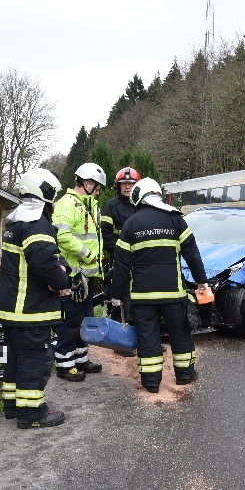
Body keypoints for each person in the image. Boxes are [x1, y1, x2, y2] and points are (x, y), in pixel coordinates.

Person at [111, 178, 209, 392]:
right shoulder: (176, 219)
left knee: (148, 338)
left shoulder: (131, 224)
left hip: (142, 297)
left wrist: (116, 297)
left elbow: (120, 266)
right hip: (173, 294)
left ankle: (151, 382)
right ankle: (185, 375)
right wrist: (202, 282)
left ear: (138, 197)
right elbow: (192, 254)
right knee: (180, 334)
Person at [0, 168, 69, 429]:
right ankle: (32, 413)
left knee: (17, 358)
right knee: (35, 360)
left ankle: (14, 407)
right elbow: (42, 261)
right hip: (29, 309)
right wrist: (63, 281)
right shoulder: (36, 223)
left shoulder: (15, 222)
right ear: (45, 193)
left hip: (12, 308)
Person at [51, 162, 107, 381]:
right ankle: (64, 365)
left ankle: (81, 359)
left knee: (85, 319)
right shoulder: (67, 204)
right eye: (98, 187)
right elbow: (61, 237)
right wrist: (88, 255)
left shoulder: (90, 205)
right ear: (87, 183)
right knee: (71, 320)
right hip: (73, 276)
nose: (100, 191)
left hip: (87, 275)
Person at [101, 166, 141, 356]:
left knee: (140, 300)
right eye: (124, 184)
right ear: (118, 186)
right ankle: (120, 342)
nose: (127, 187)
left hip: (140, 261)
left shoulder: (141, 205)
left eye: (131, 184)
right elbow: (106, 235)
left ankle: (138, 337)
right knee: (119, 298)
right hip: (120, 260)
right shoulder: (110, 205)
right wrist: (121, 253)